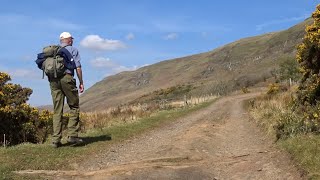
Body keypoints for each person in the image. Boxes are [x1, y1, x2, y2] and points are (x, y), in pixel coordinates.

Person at [50, 32, 84, 148]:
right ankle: (72, 136)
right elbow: (78, 67)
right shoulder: (73, 50)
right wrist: (81, 82)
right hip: (67, 78)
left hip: (53, 81)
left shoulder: (54, 51)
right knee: (74, 106)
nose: (73, 41)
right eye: (72, 39)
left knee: (57, 110)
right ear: (69, 40)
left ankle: (55, 140)